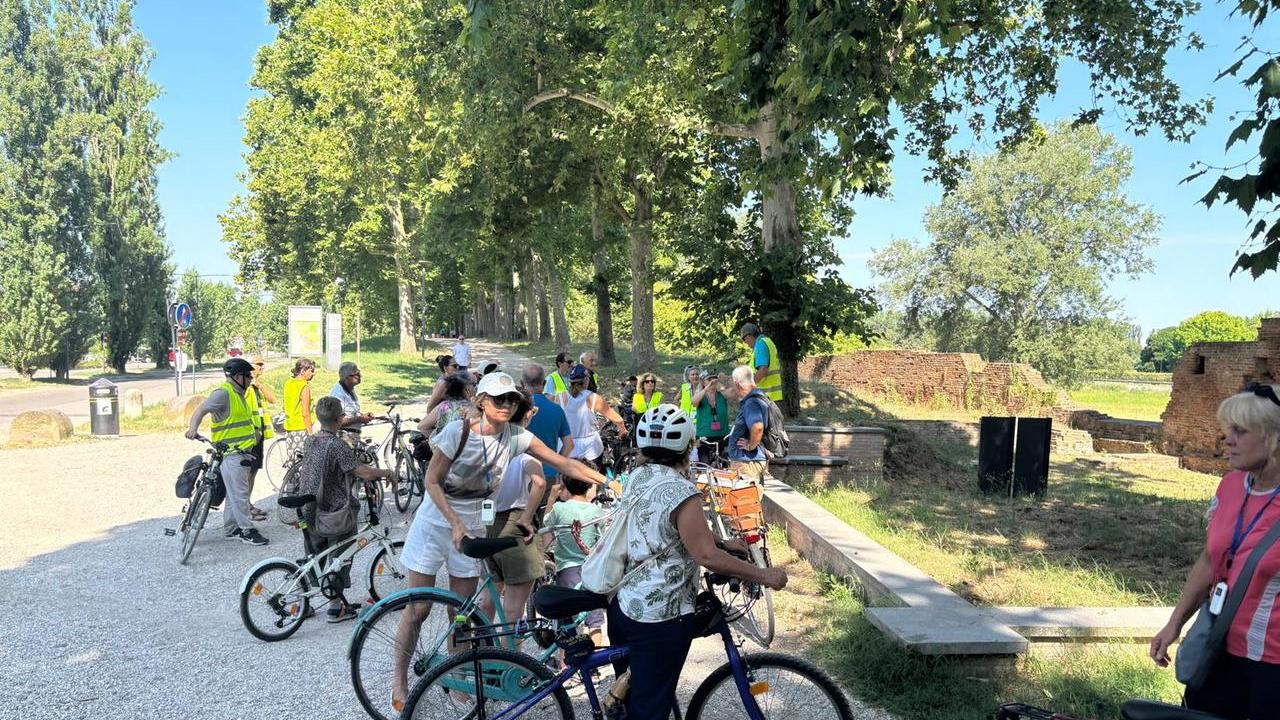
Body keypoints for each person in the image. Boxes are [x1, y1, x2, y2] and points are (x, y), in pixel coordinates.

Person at [390, 371, 609, 712]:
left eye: (511, 399)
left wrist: (609, 483)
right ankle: (400, 679)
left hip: (473, 523)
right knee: (419, 607)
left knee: (461, 613)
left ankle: (458, 677)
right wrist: (455, 523)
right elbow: (432, 482)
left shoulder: (516, 436)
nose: (506, 405)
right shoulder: (456, 431)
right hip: (436, 520)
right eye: (498, 399)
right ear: (481, 401)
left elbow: (563, 462)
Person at [607, 404, 787, 720]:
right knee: (648, 712)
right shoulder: (681, 490)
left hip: (626, 606)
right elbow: (705, 556)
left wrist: (721, 541)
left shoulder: (638, 476)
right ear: (689, 446)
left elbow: (665, 530)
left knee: (633, 698)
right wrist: (763, 575)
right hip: (660, 617)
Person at [1150, 382, 1280, 719]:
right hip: (1218, 648)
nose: (1228, 439)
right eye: (1228, 429)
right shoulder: (1232, 485)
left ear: (1273, 437)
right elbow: (1211, 559)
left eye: (1240, 430)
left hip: (1273, 667)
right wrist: (1174, 623)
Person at [298, 396, 397, 622]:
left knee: (315, 556)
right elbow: (361, 472)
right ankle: (335, 608)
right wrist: (386, 473)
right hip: (334, 510)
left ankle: (305, 602)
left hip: (308, 506)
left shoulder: (310, 440)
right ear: (339, 418)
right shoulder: (337, 445)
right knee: (340, 556)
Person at [184, 358, 271, 546]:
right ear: (238, 376)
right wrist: (193, 428)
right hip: (232, 453)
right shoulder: (223, 393)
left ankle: (232, 529)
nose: (251, 379)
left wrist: (254, 433)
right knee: (240, 493)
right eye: (248, 376)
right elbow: (201, 409)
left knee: (234, 493)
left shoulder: (238, 393)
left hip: (242, 452)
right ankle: (247, 530)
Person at [484, 394, 548, 628]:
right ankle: (510, 659)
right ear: (528, 414)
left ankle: (482, 649)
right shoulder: (524, 448)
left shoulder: (491, 442)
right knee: (513, 607)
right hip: (513, 522)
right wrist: (527, 517)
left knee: (490, 594)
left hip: (488, 522)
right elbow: (539, 483)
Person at [544, 476, 605, 647]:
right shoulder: (596, 511)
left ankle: (566, 666)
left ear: (566, 486)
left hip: (566, 571)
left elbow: (546, 522)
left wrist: (551, 497)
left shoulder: (558, 509)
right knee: (594, 621)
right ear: (589, 487)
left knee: (566, 621)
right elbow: (603, 541)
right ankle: (595, 664)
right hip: (591, 570)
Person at [521, 364, 574, 517]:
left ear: (522, 383)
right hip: (549, 474)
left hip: (521, 474)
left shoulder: (516, 409)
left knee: (521, 521)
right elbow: (569, 444)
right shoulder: (556, 410)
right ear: (544, 384)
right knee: (545, 522)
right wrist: (556, 462)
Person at [563, 363, 627, 471]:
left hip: (567, 447)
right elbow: (618, 419)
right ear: (586, 379)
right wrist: (623, 430)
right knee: (591, 482)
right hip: (590, 448)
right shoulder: (593, 398)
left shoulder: (559, 397)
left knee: (568, 483)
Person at [725, 365, 771, 481]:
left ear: (736, 383)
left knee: (744, 498)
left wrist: (750, 445)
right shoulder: (759, 397)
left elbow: (757, 427)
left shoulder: (751, 402)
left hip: (747, 463)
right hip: (750, 461)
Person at [691, 369, 731, 464]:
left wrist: (726, 379)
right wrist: (705, 388)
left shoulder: (722, 395)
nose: (712, 381)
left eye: (714, 379)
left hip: (722, 436)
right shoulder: (701, 396)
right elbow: (693, 402)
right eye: (709, 379)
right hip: (704, 438)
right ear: (704, 382)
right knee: (705, 466)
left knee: (724, 466)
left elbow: (737, 389)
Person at [739, 322, 782, 403]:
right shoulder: (767, 341)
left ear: (749, 336)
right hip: (772, 396)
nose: (745, 343)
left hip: (765, 397)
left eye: (744, 339)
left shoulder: (760, 345)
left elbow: (763, 370)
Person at [330, 361, 374, 438]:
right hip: (343, 439)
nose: (360, 376)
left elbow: (350, 413)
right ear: (347, 377)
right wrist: (359, 419)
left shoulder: (350, 390)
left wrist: (363, 416)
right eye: (357, 374)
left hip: (353, 438)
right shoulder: (338, 395)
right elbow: (337, 421)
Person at [282, 358, 316, 436]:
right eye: (311, 371)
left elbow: (285, 406)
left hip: (290, 428)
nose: (313, 374)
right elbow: (305, 413)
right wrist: (310, 433)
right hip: (302, 428)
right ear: (303, 371)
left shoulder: (288, 383)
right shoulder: (304, 387)